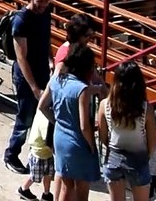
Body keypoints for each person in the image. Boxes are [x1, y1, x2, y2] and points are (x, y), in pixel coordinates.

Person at [39, 44, 101, 201]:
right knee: (82, 191)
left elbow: (43, 106)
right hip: (78, 143)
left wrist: (58, 121)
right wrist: (92, 145)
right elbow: (83, 125)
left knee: (66, 186)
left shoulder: (57, 80)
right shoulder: (82, 89)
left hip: (60, 138)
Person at [4, 0, 54, 175]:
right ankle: (11, 154)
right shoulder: (21, 20)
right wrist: (34, 87)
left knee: (43, 117)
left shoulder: (45, 14)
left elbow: (46, 39)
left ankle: (39, 155)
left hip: (42, 70)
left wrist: (50, 60)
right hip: (26, 76)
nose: (43, 6)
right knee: (25, 117)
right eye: (40, 2)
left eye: (47, 2)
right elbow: (21, 57)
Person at [98, 62, 156, 201]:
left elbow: (103, 137)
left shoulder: (104, 105)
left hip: (114, 158)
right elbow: (152, 143)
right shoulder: (146, 109)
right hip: (139, 159)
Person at [19, 109, 55, 201]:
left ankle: (46, 193)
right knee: (34, 176)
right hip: (38, 154)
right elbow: (48, 141)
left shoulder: (41, 110)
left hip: (46, 153)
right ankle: (23, 189)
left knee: (48, 174)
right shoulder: (47, 121)